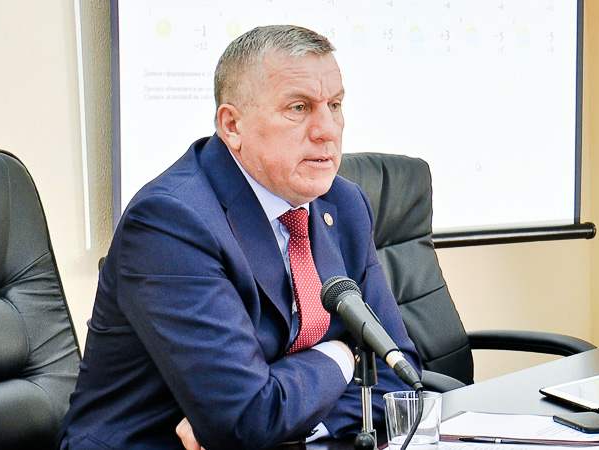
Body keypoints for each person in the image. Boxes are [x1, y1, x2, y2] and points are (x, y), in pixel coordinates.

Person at [59, 25, 422, 449]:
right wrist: (344, 356)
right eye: (299, 107)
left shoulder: (344, 204)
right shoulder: (170, 222)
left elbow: (399, 376)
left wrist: (289, 421)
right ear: (232, 125)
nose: (327, 130)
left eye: (335, 105)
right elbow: (246, 417)